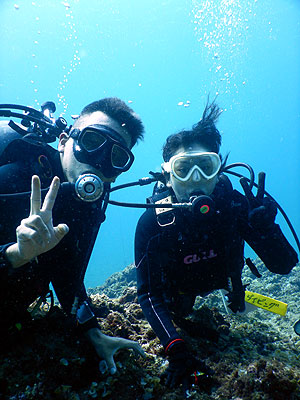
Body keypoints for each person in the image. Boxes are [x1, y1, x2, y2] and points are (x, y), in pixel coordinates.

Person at [134, 100, 298, 391]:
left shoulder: (236, 206)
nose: (196, 179)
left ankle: (231, 294)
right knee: (180, 312)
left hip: (227, 278)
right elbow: (148, 295)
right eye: (184, 169)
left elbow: (285, 266)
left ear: (218, 168)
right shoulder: (154, 223)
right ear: (167, 174)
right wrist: (176, 348)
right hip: (177, 293)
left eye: (206, 167)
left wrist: (267, 231)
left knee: (236, 304)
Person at [0, 97, 145, 374]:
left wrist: (92, 332)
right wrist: (14, 255)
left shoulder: (85, 208)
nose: (100, 161)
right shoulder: (13, 181)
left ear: (116, 174)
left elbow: (68, 273)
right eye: (92, 142)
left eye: (116, 157)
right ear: (64, 142)